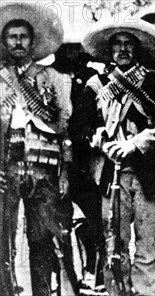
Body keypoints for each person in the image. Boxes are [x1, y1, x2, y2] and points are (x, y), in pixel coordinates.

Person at [82, 19, 155, 296]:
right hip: (109, 174)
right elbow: (80, 126)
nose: (123, 50)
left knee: (148, 243)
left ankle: (146, 290)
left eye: (129, 44)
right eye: (118, 44)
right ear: (109, 50)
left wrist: (136, 144)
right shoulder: (96, 83)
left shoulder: (153, 82)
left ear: (137, 49)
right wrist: (102, 140)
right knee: (115, 242)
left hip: (147, 173)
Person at [0, 3, 73, 295]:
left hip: (45, 169)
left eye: (23, 36)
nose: (18, 41)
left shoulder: (53, 77)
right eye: (12, 36)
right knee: (3, 240)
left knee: (42, 239)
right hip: (6, 168)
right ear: (4, 42)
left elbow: (63, 128)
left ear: (33, 41)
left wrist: (65, 171)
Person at [53, 41, 105, 290]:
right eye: (67, 48)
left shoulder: (91, 77)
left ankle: (98, 270)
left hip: (87, 157)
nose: (72, 54)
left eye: (76, 48)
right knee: (59, 219)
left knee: (95, 218)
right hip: (58, 156)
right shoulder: (50, 75)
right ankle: (65, 279)